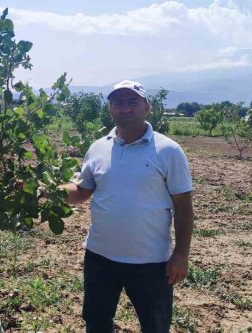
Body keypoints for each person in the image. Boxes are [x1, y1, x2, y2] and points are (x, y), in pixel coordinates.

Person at [61, 80, 194, 333]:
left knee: (155, 326)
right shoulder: (98, 148)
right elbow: (81, 191)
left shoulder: (169, 151)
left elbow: (184, 207)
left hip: (152, 262)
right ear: (110, 109)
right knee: (97, 323)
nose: (125, 108)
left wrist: (181, 254)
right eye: (118, 103)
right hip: (100, 256)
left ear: (147, 107)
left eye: (132, 102)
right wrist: (42, 191)